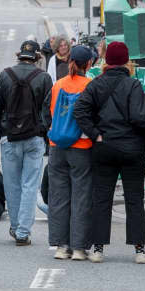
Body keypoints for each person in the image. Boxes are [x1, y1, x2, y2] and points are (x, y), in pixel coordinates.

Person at [73, 41, 145, 264]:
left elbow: (79, 110)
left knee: (101, 199)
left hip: (104, 147)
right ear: (126, 61)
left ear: (106, 60)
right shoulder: (133, 85)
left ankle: (98, 249)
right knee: (134, 199)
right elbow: (139, 118)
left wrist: (94, 133)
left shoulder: (96, 84)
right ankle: (139, 250)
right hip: (131, 148)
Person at [0, 40, 52, 245]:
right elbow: (48, 111)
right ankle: (23, 232)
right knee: (29, 185)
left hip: (10, 137)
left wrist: (3, 133)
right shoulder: (44, 78)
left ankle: (16, 225)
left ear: (19, 55)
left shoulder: (5, 75)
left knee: (12, 184)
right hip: (34, 138)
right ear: (36, 57)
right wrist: (42, 133)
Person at [42, 45, 94, 261]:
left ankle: (62, 246)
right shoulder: (90, 86)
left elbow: (46, 113)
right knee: (80, 196)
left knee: (58, 196)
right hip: (81, 147)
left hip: (57, 147)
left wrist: (52, 133)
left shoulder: (58, 85)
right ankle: (79, 247)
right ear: (88, 64)